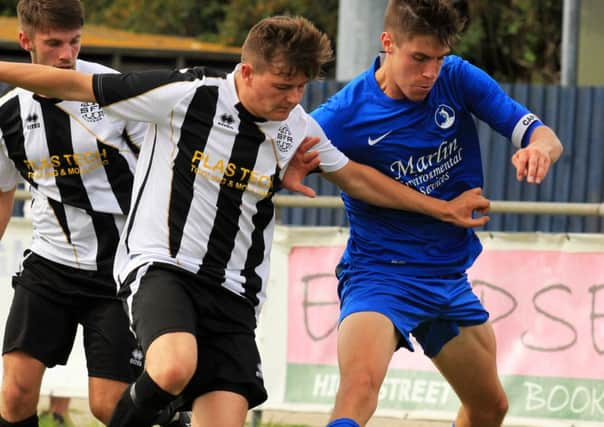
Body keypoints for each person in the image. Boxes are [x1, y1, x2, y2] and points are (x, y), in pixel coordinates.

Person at [0, 15, 492, 427]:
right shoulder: (185, 94)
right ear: (248, 72)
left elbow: (359, 179)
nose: (293, 99)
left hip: (233, 293)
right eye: (282, 86)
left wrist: (442, 209)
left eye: (301, 87)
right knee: (172, 366)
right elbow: (75, 83)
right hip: (162, 266)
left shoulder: (295, 129)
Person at [309, 1, 564, 427]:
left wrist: (540, 148)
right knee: (358, 391)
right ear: (387, 43)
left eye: (439, 59)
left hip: (445, 279)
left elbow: (542, 133)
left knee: (490, 407)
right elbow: (279, 150)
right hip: (380, 276)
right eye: (419, 58)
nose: (430, 73)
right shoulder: (341, 116)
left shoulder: (457, 78)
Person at [0, 1, 148, 426]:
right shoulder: (9, 114)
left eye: (74, 42)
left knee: (109, 407)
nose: (66, 55)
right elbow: (3, 194)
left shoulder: (114, 90)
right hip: (51, 265)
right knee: (13, 396)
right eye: (54, 43)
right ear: (25, 41)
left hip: (121, 269)